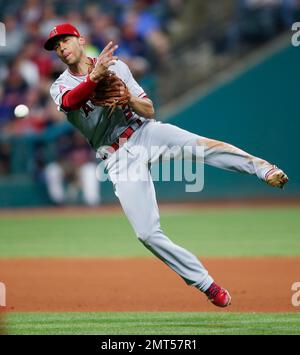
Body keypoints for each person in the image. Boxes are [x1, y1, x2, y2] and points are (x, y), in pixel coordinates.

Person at [45, 23, 288, 307]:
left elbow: (149, 110)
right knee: (146, 233)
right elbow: (72, 101)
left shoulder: (116, 67)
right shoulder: (60, 85)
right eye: (55, 46)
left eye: (64, 41)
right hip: (117, 157)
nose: (61, 48)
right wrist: (93, 79)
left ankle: (264, 169)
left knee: (201, 147)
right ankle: (206, 284)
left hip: (144, 132)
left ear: (80, 40)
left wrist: (129, 98)